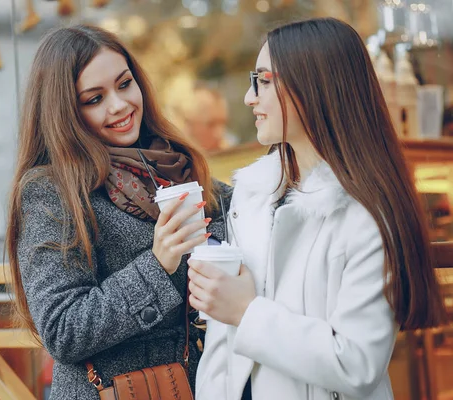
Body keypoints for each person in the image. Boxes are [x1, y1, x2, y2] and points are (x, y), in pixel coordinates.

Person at [189, 18, 446, 400]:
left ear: (310, 86)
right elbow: (222, 348)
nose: (249, 97)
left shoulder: (365, 213)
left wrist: (246, 311)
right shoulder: (252, 198)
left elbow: (356, 363)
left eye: (262, 79)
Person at [5, 25, 232, 399]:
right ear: (65, 113)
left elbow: (247, 211)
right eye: (94, 99)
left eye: (125, 84)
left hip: (195, 385)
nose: (119, 105)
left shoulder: (175, 166)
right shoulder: (50, 190)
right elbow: (63, 330)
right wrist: (158, 264)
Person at [182, 82, 239, 152]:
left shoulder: (230, 144)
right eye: (211, 125)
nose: (220, 134)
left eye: (223, 123)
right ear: (189, 125)